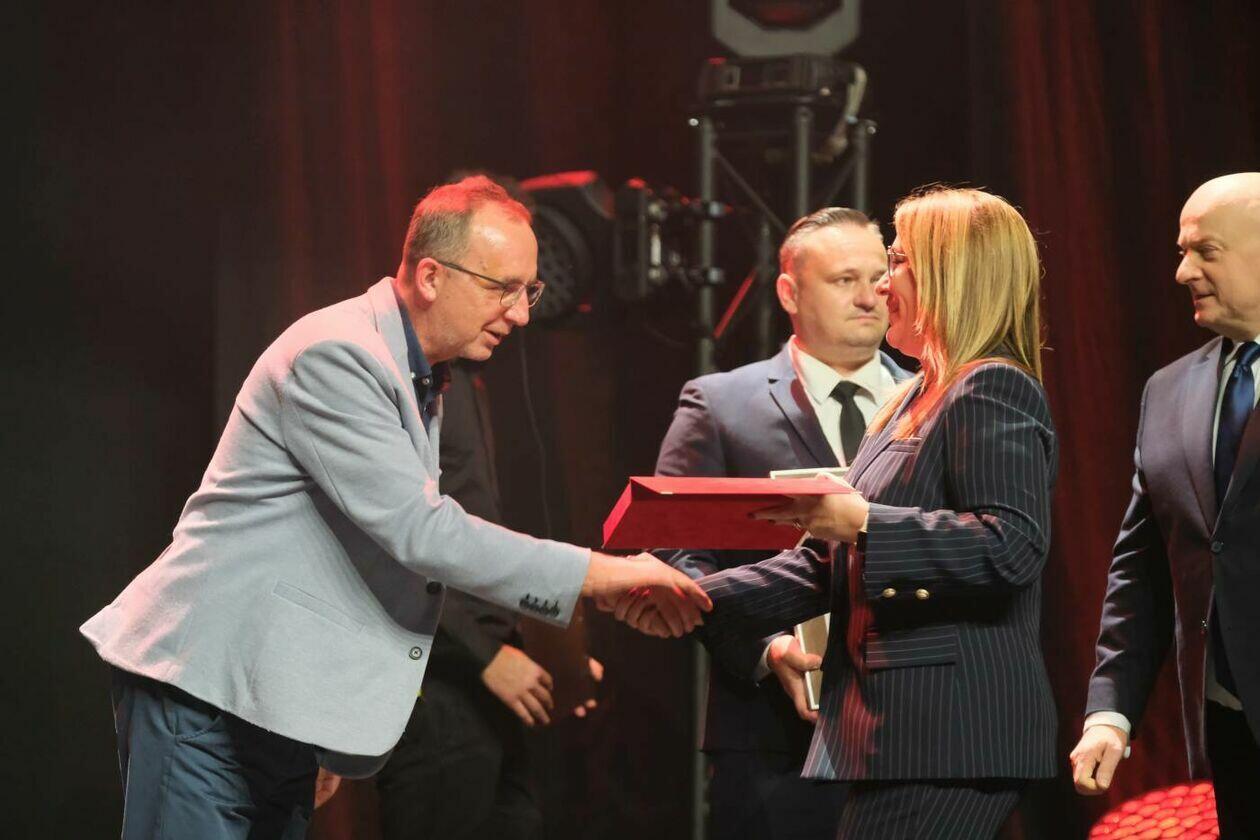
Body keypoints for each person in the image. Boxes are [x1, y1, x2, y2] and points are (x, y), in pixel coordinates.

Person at [80, 175, 709, 839]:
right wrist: (602, 574)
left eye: (529, 291)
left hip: (270, 702)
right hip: (204, 689)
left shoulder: (417, 374)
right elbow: (422, 535)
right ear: (432, 276)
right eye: (502, 288)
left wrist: (317, 723)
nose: (521, 314)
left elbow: (352, 561)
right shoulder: (338, 353)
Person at [623, 186, 1058, 838]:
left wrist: (863, 522)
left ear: (952, 275)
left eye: (897, 265)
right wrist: (687, 597)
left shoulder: (990, 385)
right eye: (858, 275)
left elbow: (1011, 545)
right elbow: (825, 564)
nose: (880, 290)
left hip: (949, 735)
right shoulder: (915, 398)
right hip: (891, 737)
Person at [653, 207, 910, 839]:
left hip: (917, 730)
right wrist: (767, 650)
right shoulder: (720, 404)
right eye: (844, 279)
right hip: (775, 738)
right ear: (790, 292)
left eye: (879, 277)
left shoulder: (933, 398)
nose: (869, 296)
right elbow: (675, 551)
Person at [1072, 172, 1260, 838]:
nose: (1183, 272)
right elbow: (1144, 568)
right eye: (1182, 252)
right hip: (1230, 731)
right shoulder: (1169, 389)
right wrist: (1111, 712)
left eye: (1206, 252)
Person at [374, 359, 600, 839]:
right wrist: (487, 656)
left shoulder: (462, 382)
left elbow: (477, 547)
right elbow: (394, 549)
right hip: (436, 684)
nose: (518, 320)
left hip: (491, 688)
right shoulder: (397, 381)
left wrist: (554, 655)